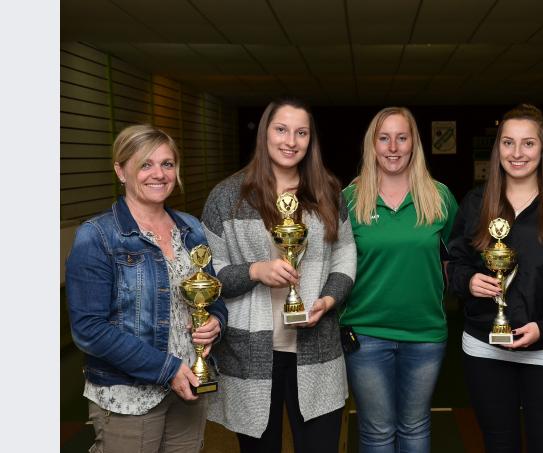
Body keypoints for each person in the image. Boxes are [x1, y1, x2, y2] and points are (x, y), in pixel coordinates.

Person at [201, 98, 356, 453]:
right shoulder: (227, 197)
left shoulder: (328, 191)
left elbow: (345, 251)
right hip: (250, 352)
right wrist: (256, 271)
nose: (291, 141)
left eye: (301, 132)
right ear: (265, 134)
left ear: (310, 140)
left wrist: (330, 298)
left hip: (317, 347)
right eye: (281, 130)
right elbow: (210, 272)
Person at [66, 124, 228, 452]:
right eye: (145, 164)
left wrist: (216, 323)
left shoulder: (191, 228)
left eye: (167, 164)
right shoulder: (97, 236)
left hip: (189, 389)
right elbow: (88, 329)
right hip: (129, 397)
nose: (159, 174)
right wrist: (166, 369)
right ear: (121, 170)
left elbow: (214, 296)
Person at [447, 104, 543, 453]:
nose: (517, 153)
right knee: (499, 444)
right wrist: (469, 281)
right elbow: (454, 262)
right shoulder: (477, 203)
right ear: (498, 149)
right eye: (508, 143)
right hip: (485, 347)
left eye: (528, 143)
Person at [340, 106, 458, 453]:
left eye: (401, 138)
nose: (393, 147)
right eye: (384, 138)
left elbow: (454, 260)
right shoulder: (350, 199)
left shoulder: (439, 197)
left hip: (425, 334)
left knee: (415, 426)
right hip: (366, 335)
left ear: (413, 144)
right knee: (376, 432)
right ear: (372, 145)